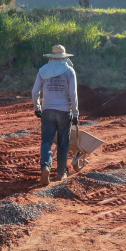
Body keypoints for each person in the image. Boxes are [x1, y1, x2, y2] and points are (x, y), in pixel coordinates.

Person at [31, 44, 79, 185]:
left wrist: (37, 108)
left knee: (46, 142)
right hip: (64, 111)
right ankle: (60, 173)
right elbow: (73, 94)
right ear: (64, 57)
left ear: (51, 57)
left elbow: (35, 92)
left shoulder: (43, 70)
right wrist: (75, 114)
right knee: (63, 143)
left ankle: (45, 167)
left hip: (48, 111)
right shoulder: (69, 71)